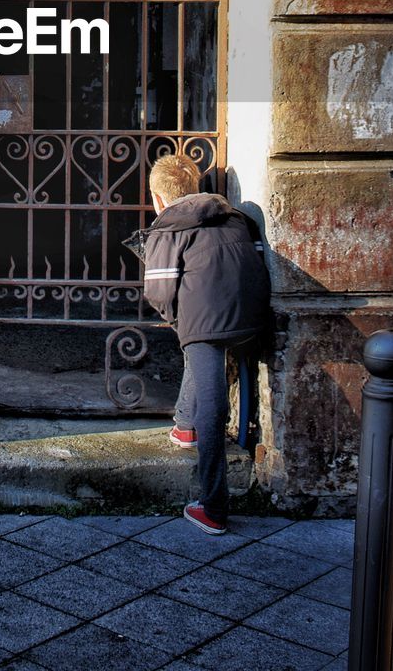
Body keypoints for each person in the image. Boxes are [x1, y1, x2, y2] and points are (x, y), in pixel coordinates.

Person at [142, 152, 270, 534]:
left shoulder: (167, 228)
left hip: (207, 325)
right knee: (198, 345)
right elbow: (258, 259)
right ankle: (184, 425)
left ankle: (213, 507)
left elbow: (160, 291)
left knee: (211, 405)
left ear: (159, 199)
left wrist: (178, 319)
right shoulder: (236, 217)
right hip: (254, 316)